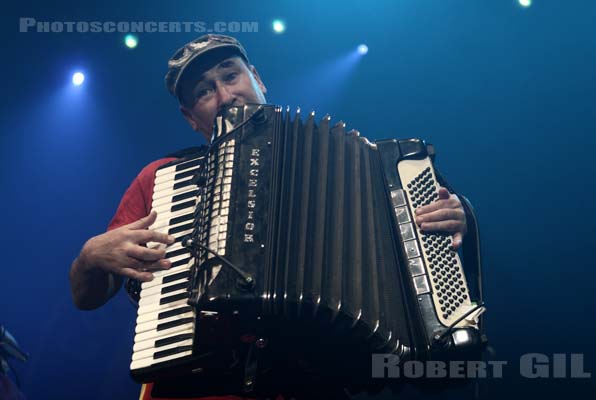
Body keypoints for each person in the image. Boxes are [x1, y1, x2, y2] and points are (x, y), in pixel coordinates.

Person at [69, 34, 469, 399]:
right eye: (205, 92)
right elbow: (88, 297)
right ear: (190, 117)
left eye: (231, 76)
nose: (225, 96)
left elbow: (411, 242)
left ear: (257, 79)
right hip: (198, 388)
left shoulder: (349, 164)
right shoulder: (160, 180)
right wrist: (89, 258)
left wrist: (453, 217)